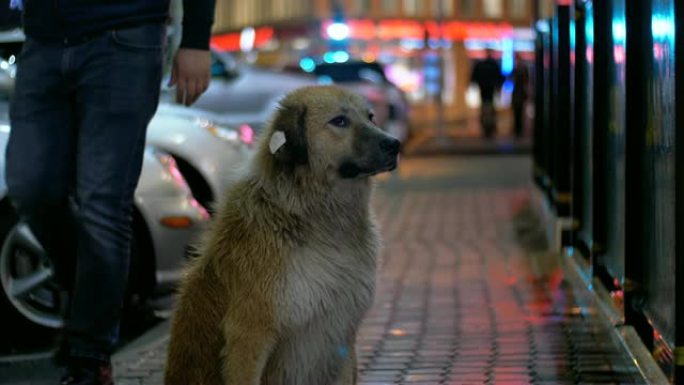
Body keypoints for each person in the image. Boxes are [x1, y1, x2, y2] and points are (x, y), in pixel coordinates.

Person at [5, 0, 215, 384]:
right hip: (43, 41)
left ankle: (89, 357)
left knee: (103, 202)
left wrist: (197, 40)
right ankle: (92, 299)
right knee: (29, 184)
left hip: (125, 38)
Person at [470, 48, 504, 139]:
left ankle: (487, 128)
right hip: (489, 91)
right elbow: (500, 78)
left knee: (485, 109)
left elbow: (473, 77)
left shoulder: (482, 65)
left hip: (485, 91)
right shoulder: (493, 65)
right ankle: (489, 127)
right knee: (489, 109)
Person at [511, 54, 530, 138]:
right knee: (516, 112)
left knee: (520, 112)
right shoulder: (516, 70)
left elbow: (526, 82)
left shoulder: (521, 70)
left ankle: (519, 129)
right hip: (517, 93)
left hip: (520, 94)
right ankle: (517, 129)